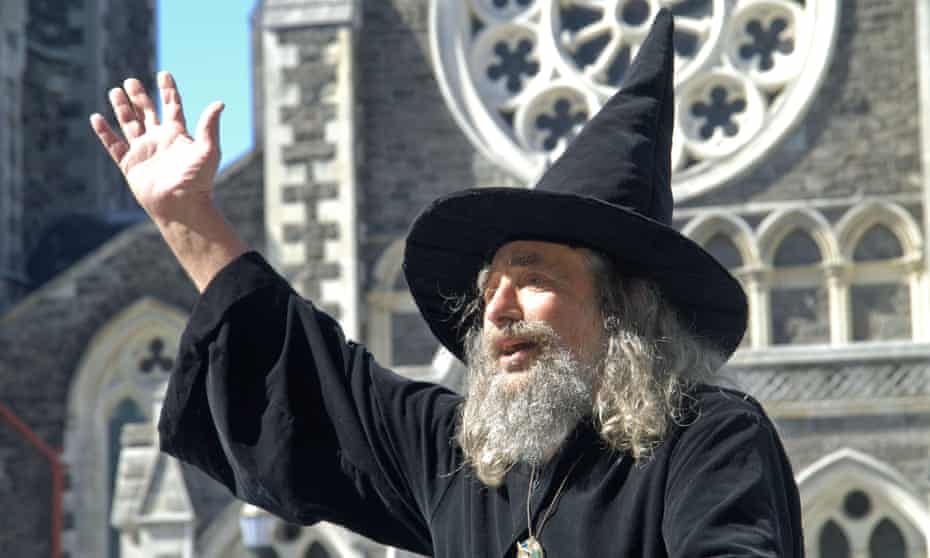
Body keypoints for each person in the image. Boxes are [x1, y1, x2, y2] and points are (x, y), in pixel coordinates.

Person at [90, 11, 803, 557]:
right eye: (489, 285)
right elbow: (316, 382)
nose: (497, 306)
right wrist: (189, 219)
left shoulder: (709, 440)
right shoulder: (463, 462)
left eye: (533, 278)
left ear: (624, 306)